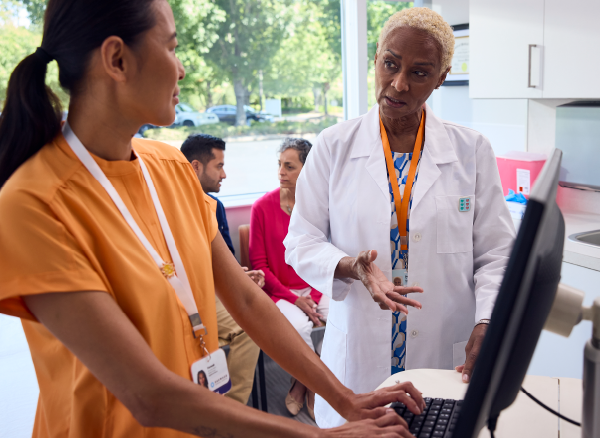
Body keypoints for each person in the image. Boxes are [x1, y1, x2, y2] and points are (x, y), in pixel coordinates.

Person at [0, 1, 425, 437]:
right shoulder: (34, 204)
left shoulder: (167, 167)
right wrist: (317, 435)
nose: (181, 70)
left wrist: (344, 399)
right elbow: (147, 395)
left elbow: (245, 302)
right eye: (171, 47)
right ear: (117, 59)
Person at [284, 7, 515, 428]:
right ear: (375, 58)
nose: (399, 84)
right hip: (359, 359)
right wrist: (352, 267)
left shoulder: (471, 152)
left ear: (442, 77)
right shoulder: (334, 146)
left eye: (420, 72)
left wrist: (487, 320)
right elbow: (300, 240)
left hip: (442, 353)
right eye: (390, 64)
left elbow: (497, 253)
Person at [181, 133, 263, 405]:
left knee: (253, 322)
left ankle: (230, 409)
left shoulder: (214, 206)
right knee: (248, 328)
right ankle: (232, 410)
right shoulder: (168, 208)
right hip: (185, 291)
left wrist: (241, 274)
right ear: (195, 167)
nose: (224, 174)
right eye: (219, 166)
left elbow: (224, 260)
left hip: (212, 287)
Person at [249, 138, 328, 420]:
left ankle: (300, 383)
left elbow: (326, 257)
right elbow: (260, 266)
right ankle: (318, 386)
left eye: (289, 166)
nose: (281, 172)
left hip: (318, 287)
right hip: (280, 293)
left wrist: (314, 299)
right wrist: (297, 299)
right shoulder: (261, 208)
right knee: (300, 327)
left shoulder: (320, 205)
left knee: (348, 312)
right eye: (280, 165)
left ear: (307, 170)